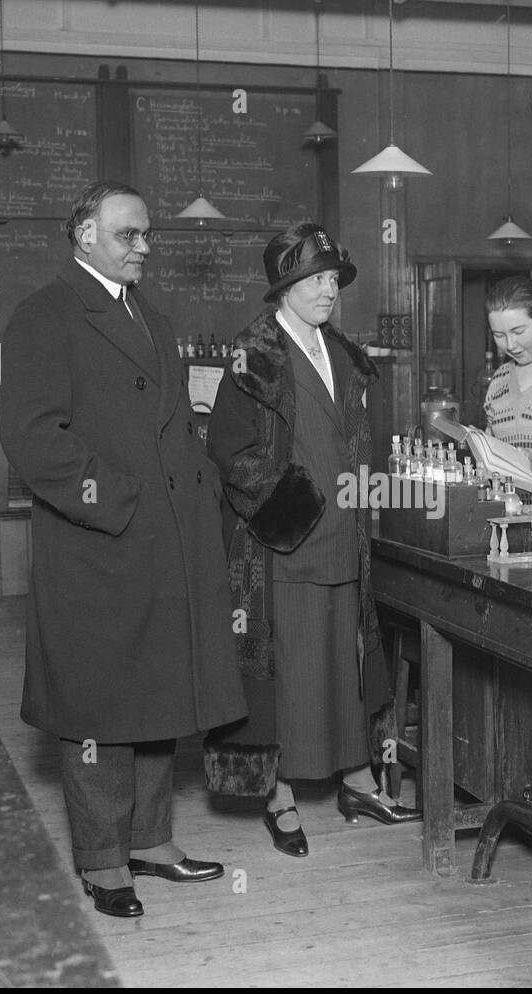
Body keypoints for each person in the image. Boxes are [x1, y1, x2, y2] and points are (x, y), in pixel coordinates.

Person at [0, 180, 245, 918]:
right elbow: (34, 440)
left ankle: (150, 839)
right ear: (83, 234)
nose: (143, 247)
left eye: (146, 235)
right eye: (127, 235)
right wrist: (122, 502)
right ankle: (104, 861)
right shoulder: (45, 315)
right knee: (100, 707)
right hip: (100, 544)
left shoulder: (150, 315)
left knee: (157, 693)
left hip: (166, 542)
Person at [206, 223, 420, 859]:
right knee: (290, 673)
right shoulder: (253, 354)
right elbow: (229, 448)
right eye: (316, 280)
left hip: (346, 540)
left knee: (345, 666)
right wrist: (292, 513)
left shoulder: (344, 353)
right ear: (285, 288)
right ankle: (280, 798)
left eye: (333, 279)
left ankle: (357, 781)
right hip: (282, 545)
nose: (329, 290)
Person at [483, 276, 532, 477]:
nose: (510, 345)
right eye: (499, 335)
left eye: (518, 331)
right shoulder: (499, 379)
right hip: (507, 506)